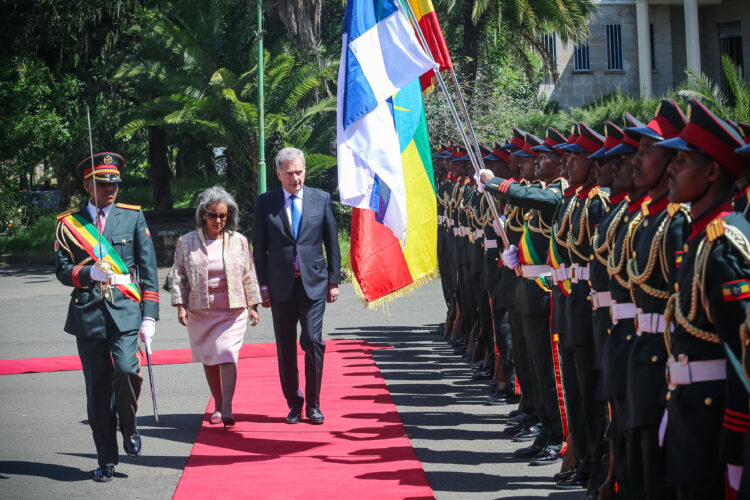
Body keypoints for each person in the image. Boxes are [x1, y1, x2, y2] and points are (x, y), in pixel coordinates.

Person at [54, 152, 159, 482]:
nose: (111, 188)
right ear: (88, 185)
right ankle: (106, 459)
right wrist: (88, 275)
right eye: (103, 183)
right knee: (97, 389)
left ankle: (128, 426)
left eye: (114, 182)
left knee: (127, 370)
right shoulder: (69, 224)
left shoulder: (132, 218)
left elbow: (149, 268)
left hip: (126, 310)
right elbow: (61, 270)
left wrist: (150, 316)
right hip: (89, 314)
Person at [252, 147, 341, 425]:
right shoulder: (266, 203)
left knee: (314, 342)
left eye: (300, 172)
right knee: (286, 348)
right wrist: (262, 286)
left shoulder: (321, 199)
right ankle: (294, 402)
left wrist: (334, 280)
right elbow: (260, 248)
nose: (296, 178)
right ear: (278, 174)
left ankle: (314, 405)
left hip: (314, 283)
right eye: (289, 173)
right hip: (280, 287)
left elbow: (332, 242)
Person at [170, 186, 261, 429]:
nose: (219, 220)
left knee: (227, 353)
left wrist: (253, 306)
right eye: (213, 215)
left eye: (223, 215)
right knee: (209, 358)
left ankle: (228, 406)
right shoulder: (186, 242)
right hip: (201, 311)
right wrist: (180, 305)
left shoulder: (239, 241)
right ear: (203, 215)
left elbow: (249, 274)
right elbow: (178, 275)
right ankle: (218, 406)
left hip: (233, 309)